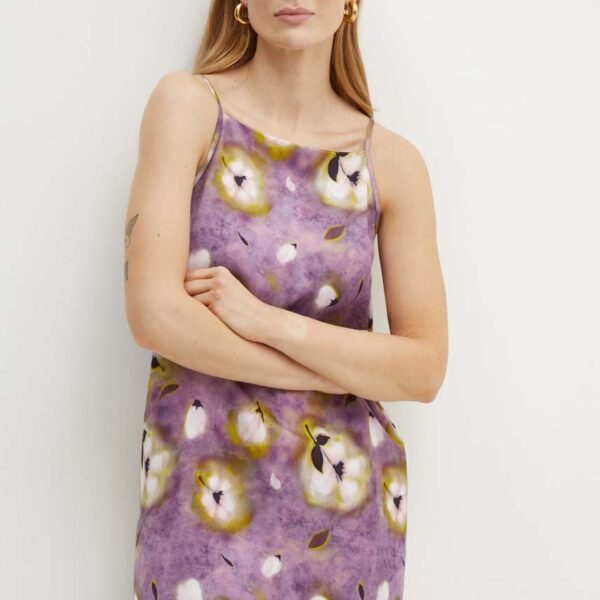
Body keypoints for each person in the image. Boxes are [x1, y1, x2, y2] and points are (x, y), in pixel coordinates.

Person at [124, 1, 448, 598]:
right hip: (199, 511)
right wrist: (333, 374)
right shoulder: (189, 108)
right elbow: (154, 315)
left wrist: (267, 323)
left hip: (347, 521)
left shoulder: (393, 163)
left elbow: (423, 368)